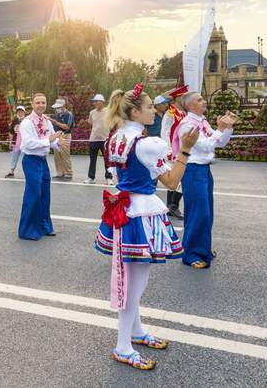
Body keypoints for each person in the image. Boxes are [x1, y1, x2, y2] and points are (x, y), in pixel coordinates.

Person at [94, 85, 199, 370]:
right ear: (135, 111)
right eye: (150, 106)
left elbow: (119, 174)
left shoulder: (115, 139)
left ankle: (136, 332)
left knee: (132, 277)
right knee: (135, 283)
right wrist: (185, 150)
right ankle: (122, 346)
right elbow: (172, 181)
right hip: (140, 212)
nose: (154, 110)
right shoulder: (147, 143)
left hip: (124, 209)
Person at [178, 92, 238, 269]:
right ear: (189, 106)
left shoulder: (201, 121)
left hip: (203, 170)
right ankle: (191, 254)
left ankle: (202, 249)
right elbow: (205, 145)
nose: (204, 101)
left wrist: (227, 128)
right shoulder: (187, 124)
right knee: (199, 212)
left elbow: (219, 143)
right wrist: (219, 129)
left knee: (207, 212)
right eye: (199, 100)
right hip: (193, 170)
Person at [18, 93, 63, 241]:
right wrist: (49, 140)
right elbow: (29, 143)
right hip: (31, 161)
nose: (41, 105)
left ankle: (44, 227)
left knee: (45, 194)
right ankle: (27, 230)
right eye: (37, 102)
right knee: (34, 195)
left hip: (43, 161)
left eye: (43, 102)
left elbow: (51, 140)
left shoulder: (46, 121)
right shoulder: (26, 122)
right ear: (32, 104)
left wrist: (58, 144)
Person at [161, 86, 189, 219]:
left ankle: (171, 206)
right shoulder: (170, 113)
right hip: (172, 150)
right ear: (177, 98)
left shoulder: (182, 112)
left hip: (180, 150)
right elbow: (165, 132)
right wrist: (168, 151)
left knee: (177, 178)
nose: (185, 99)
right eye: (183, 96)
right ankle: (173, 206)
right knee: (177, 178)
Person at [85, 94, 114, 185]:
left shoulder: (108, 111)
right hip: (93, 139)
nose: (95, 103)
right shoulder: (92, 112)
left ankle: (109, 178)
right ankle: (91, 177)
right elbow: (90, 122)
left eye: (97, 101)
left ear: (102, 102)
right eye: (94, 101)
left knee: (107, 160)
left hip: (105, 139)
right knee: (92, 160)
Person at [50, 98, 74, 180]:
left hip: (65, 136)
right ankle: (60, 173)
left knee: (65, 155)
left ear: (63, 105)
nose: (57, 109)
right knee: (57, 156)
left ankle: (68, 173)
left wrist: (55, 122)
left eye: (58, 107)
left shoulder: (69, 114)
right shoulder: (57, 114)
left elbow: (67, 126)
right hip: (57, 136)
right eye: (56, 107)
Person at [5, 105, 26, 178]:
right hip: (15, 142)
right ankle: (11, 171)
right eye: (19, 111)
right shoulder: (14, 120)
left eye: (21, 111)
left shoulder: (27, 120)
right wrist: (10, 142)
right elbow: (11, 132)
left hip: (25, 143)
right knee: (14, 157)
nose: (20, 113)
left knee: (26, 158)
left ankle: (28, 172)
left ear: (24, 112)